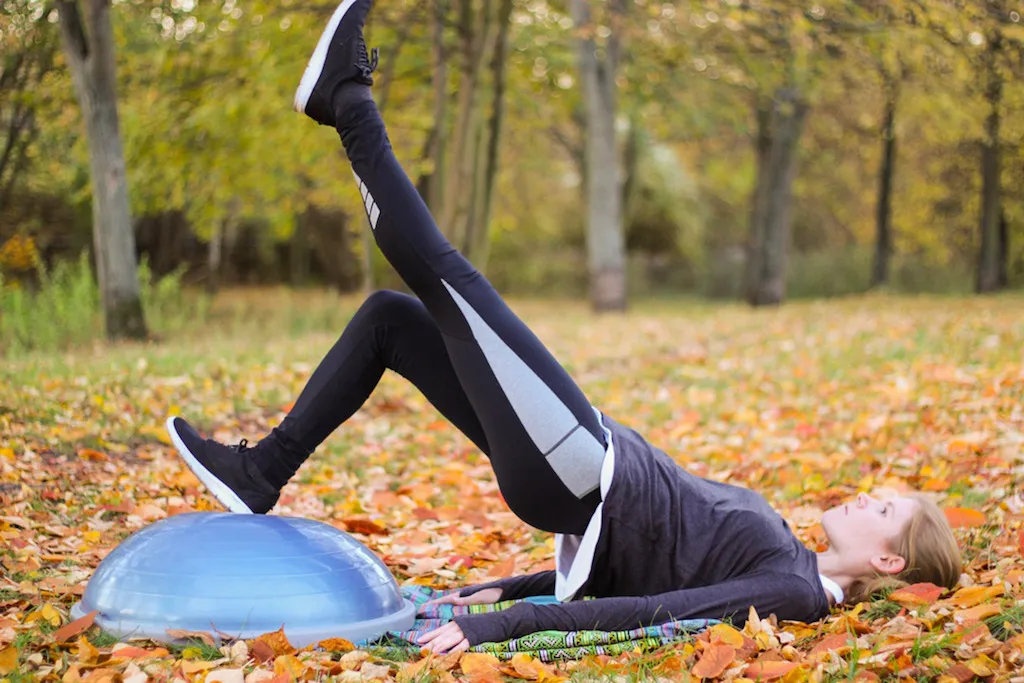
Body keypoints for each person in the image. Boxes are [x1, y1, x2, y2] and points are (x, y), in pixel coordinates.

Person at [165, 0, 963, 654]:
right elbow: (651, 573)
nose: (866, 498)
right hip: (579, 460)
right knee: (395, 320)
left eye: (883, 508)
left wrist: (501, 625)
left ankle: (346, 99)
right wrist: (512, 585)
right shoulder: (789, 554)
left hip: (581, 468)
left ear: (887, 560)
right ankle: (260, 471)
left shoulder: (791, 591)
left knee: (447, 274)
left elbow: (652, 614)